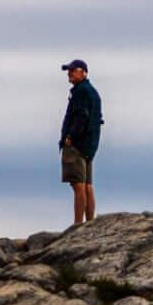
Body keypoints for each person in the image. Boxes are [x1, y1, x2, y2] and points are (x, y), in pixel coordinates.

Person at [59, 59, 102, 225]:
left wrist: (70, 137)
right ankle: (89, 223)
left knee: (78, 185)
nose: (69, 74)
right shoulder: (92, 91)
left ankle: (78, 225)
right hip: (90, 146)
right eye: (68, 71)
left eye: (72, 70)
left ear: (83, 72)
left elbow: (81, 116)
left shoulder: (81, 91)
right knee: (87, 185)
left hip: (77, 145)